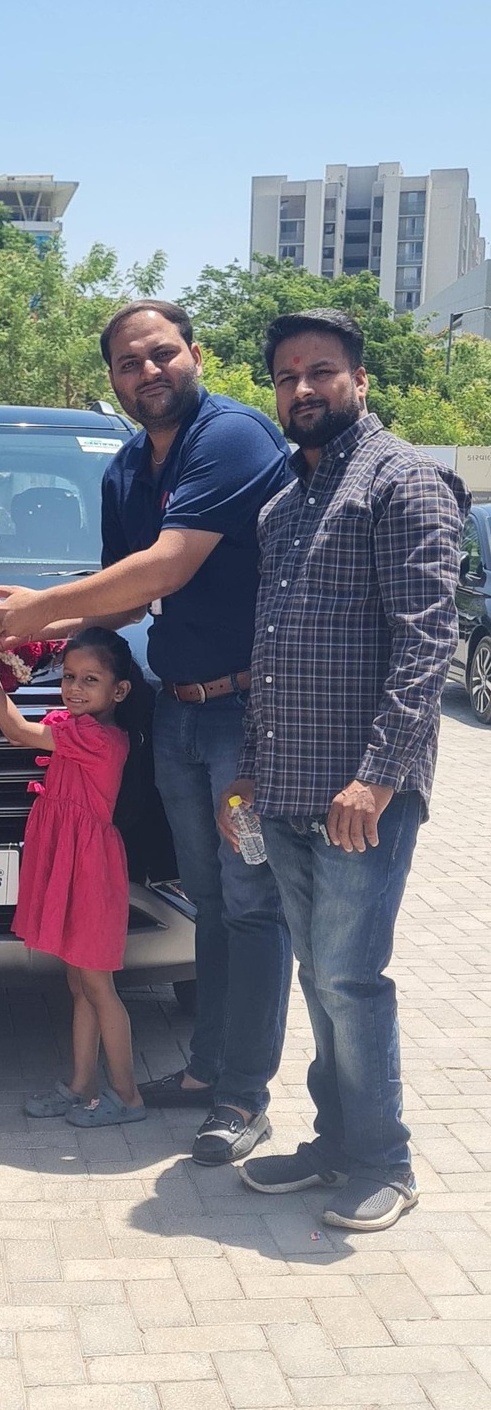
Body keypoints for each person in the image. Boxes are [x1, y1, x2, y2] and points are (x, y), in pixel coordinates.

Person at [0, 300, 292, 1164]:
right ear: (113, 379)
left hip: (245, 718)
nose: (148, 372)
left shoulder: (231, 437)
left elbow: (166, 565)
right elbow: (122, 604)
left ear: (196, 353)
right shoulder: (125, 467)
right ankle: (205, 1071)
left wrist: (33, 609)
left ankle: (243, 1096)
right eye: (129, 362)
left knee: (252, 901)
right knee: (209, 898)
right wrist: (11, 630)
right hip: (178, 712)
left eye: (162, 354)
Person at [220, 306, 470, 1230]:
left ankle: (384, 1162)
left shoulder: (403, 482)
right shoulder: (283, 505)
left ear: (360, 380)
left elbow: (427, 642)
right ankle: (336, 1143)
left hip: (361, 795)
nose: (303, 389)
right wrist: (249, 777)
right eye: (286, 376)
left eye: (321, 371)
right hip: (286, 788)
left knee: (352, 980)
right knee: (319, 978)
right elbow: (270, 650)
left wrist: (379, 777)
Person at [0, 623, 147, 1126]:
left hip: (91, 871)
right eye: (69, 677)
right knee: (80, 984)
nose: (74, 688)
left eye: (90, 680)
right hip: (71, 862)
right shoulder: (76, 727)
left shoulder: (100, 739)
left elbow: (18, 730)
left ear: (119, 691)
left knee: (99, 986)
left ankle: (127, 1097)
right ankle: (82, 1085)